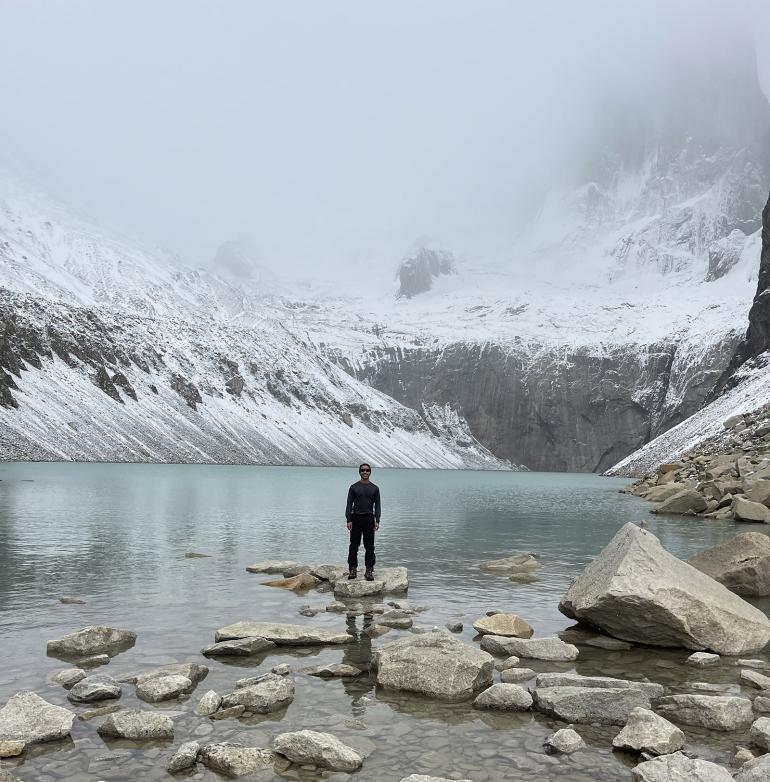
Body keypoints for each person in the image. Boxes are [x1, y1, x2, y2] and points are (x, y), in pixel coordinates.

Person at [345, 463, 380, 581]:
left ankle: (369, 570)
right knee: (354, 545)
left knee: (369, 546)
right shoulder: (353, 487)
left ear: (370, 472)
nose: (365, 472)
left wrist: (377, 520)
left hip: (369, 519)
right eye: (363, 470)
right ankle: (352, 569)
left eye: (367, 470)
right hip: (356, 518)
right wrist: (348, 519)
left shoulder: (375, 488)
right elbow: (349, 504)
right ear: (359, 472)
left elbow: (378, 505)